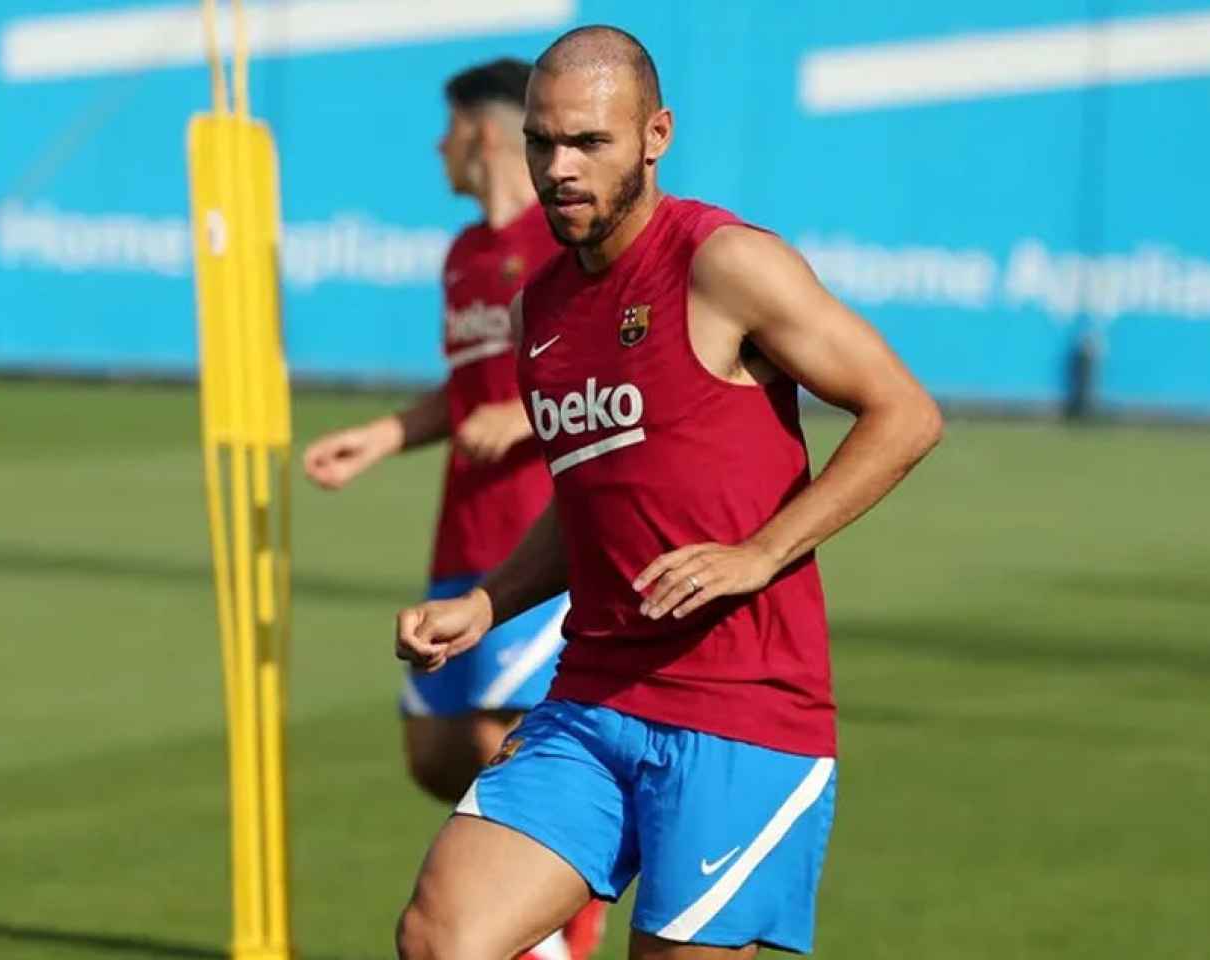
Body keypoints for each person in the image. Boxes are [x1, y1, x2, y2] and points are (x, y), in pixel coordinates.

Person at [391, 25, 944, 960]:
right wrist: (489, 602)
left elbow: (904, 413)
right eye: (541, 141)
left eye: (589, 143)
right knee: (442, 938)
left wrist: (761, 551)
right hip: (592, 695)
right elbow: (589, 499)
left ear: (655, 136)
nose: (559, 167)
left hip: (743, 715)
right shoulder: (541, 309)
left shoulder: (723, 264)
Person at [302, 57, 603, 960]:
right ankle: (545, 893)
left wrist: (523, 416)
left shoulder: (566, 248)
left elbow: (605, 375)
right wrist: (386, 437)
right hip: (458, 529)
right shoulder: (466, 255)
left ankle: (552, 926)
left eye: (446, 130)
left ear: (482, 130)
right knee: (433, 749)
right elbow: (465, 389)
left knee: (497, 737)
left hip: (535, 536)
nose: (438, 149)